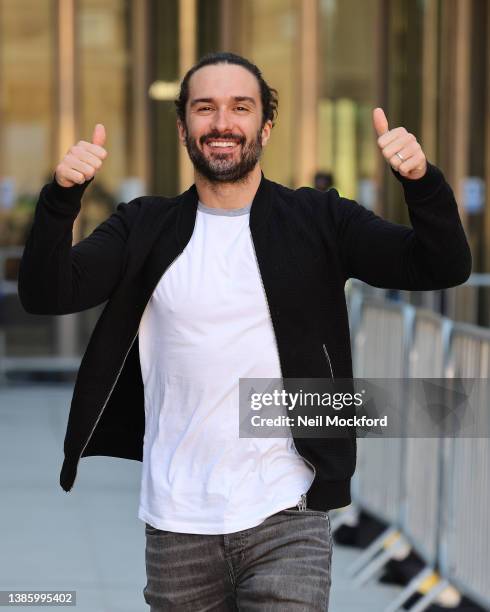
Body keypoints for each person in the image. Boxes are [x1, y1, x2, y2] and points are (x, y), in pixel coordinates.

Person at [18, 52, 471, 611]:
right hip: (178, 522)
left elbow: (440, 267)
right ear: (184, 127)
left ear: (265, 126)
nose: (222, 122)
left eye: (241, 106)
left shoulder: (320, 219)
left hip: (288, 514)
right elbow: (47, 293)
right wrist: (61, 199)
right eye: (205, 108)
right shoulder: (144, 225)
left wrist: (421, 184)